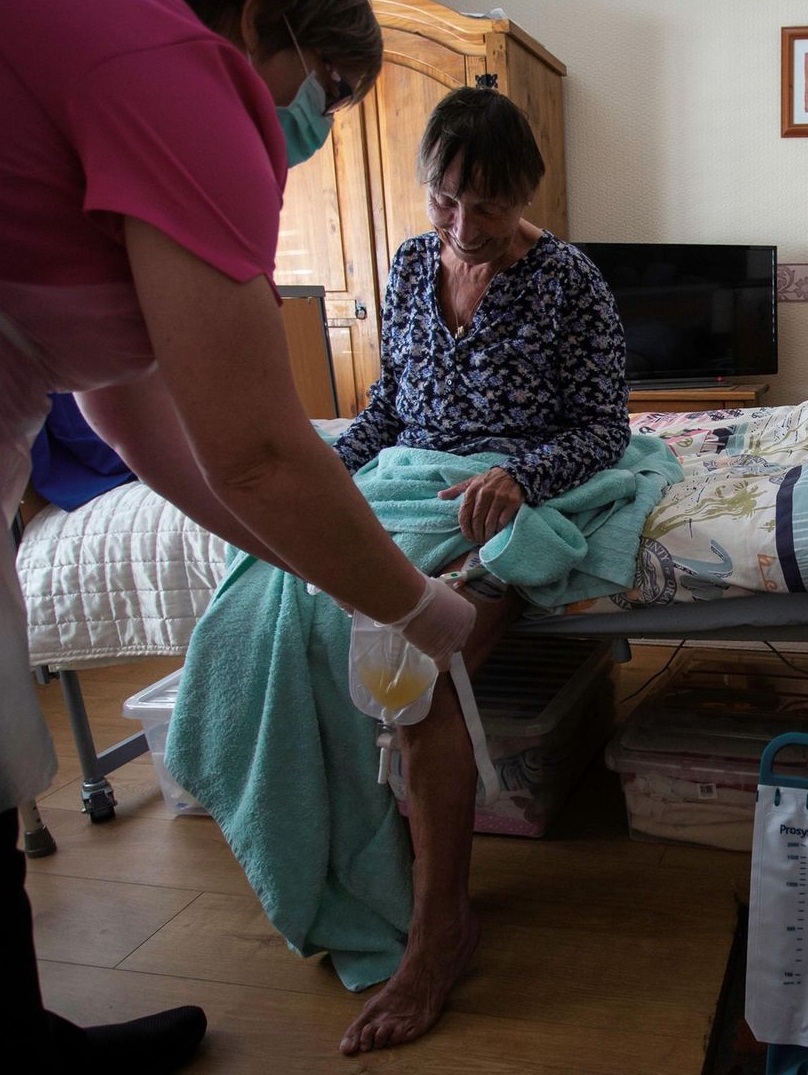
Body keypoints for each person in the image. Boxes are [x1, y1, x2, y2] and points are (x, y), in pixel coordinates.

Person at [0, 0, 434, 1069]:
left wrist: (310, 559)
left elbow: (130, 414)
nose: (318, 122)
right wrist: (414, 602)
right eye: (329, 87)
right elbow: (261, 456)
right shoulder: (181, 81)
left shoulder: (101, 58)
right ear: (264, 18)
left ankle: (10, 1028)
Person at [324, 85, 630, 1056]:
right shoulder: (413, 265)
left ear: (527, 195)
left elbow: (606, 427)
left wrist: (521, 473)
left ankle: (437, 930)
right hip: (411, 480)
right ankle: (346, 872)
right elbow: (387, 411)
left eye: (487, 207)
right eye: (445, 201)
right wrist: (312, 473)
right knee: (280, 622)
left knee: (418, 672)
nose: (462, 228)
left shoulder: (569, 279)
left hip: (509, 493)